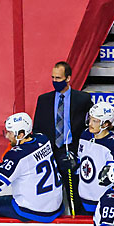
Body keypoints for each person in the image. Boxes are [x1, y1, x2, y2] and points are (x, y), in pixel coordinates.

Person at [0, 112, 64, 222]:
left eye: (10, 132)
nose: (7, 136)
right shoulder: (43, 139)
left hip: (35, 210)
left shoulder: (16, 155)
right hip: (56, 206)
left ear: (21, 135)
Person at [33, 61, 93, 213]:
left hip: (72, 151)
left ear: (68, 78)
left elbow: (90, 126)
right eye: (53, 78)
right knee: (52, 194)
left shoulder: (82, 99)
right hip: (50, 153)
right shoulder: (43, 100)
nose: (55, 81)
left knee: (75, 194)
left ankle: (78, 220)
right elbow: (38, 129)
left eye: (58, 78)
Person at [76, 102, 114, 215]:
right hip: (83, 197)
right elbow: (81, 162)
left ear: (106, 124)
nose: (90, 124)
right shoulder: (85, 135)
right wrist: (73, 163)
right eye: (90, 119)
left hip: (103, 201)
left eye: (95, 121)